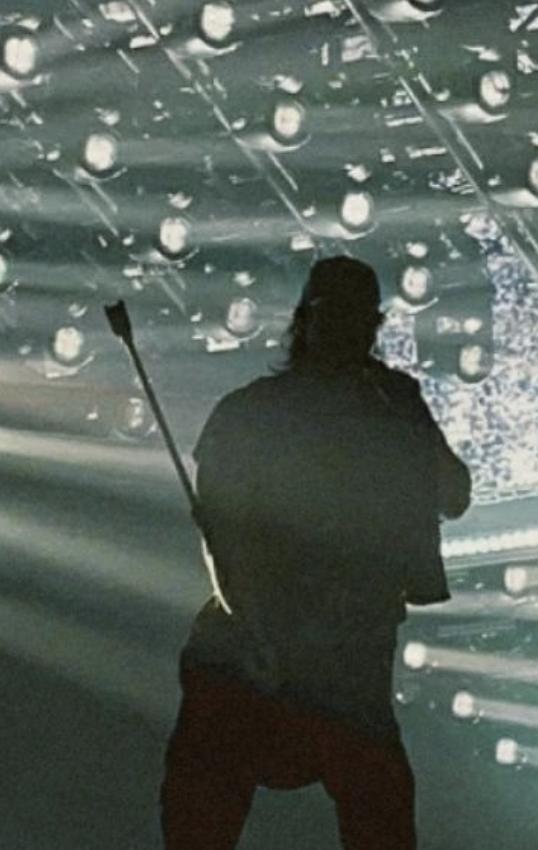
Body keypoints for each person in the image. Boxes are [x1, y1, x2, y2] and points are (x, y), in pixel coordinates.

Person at [161, 255, 472, 850]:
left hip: (317, 650)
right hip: (275, 652)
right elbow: (221, 538)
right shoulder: (359, 405)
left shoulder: (375, 404)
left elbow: (452, 492)